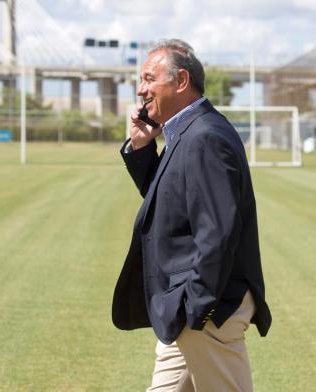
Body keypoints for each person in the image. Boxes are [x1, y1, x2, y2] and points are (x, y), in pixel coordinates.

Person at [112, 39, 272, 392]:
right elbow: (172, 206)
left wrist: (196, 308)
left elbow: (218, 233)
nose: (141, 89)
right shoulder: (186, 132)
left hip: (206, 310)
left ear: (181, 81)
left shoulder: (205, 137)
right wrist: (141, 148)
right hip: (184, 309)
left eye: (149, 78)